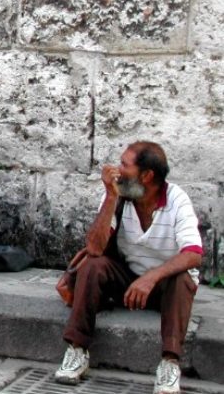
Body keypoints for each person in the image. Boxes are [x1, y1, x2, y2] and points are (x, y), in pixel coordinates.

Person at [55, 142, 203, 394]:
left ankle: (169, 363)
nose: (116, 170)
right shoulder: (118, 193)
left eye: (125, 165)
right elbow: (94, 248)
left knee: (183, 279)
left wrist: (152, 277)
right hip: (126, 277)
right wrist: (111, 197)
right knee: (93, 265)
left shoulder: (177, 199)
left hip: (162, 284)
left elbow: (193, 254)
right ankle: (77, 350)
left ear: (147, 176)